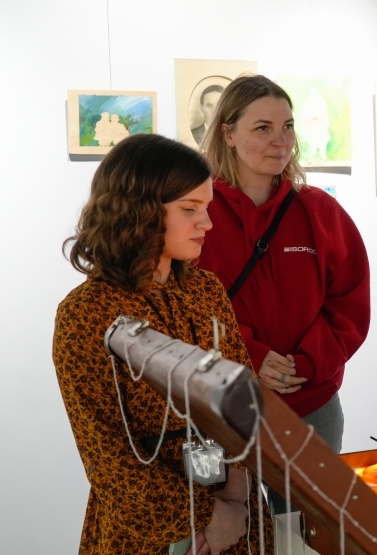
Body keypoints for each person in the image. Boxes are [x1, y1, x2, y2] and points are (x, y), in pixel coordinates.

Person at [53, 134, 272, 554]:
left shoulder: (206, 291)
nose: (207, 223)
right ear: (140, 211)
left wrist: (234, 502)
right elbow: (108, 458)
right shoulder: (86, 314)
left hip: (237, 519)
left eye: (206, 207)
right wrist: (206, 519)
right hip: (146, 531)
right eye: (190, 209)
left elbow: (246, 407)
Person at [197, 75, 370, 510]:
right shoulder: (198, 213)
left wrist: (306, 364)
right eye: (263, 128)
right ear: (228, 133)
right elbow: (187, 309)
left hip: (309, 409)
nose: (281, 141)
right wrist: (250, 357)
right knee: (227, 528)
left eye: (287, 126)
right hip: (221, 409)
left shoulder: (319, 210)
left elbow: (349, 303)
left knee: (307, 533)